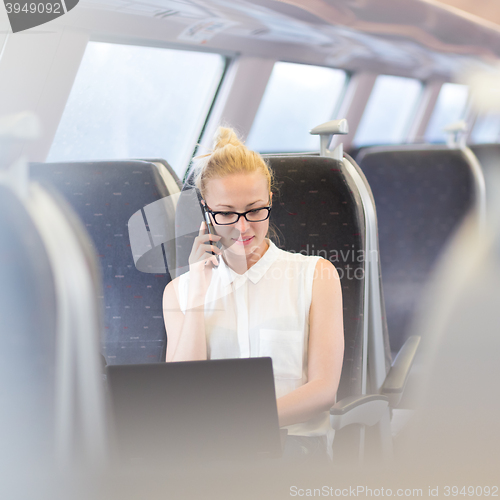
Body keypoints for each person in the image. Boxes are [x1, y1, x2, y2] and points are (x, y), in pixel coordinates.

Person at [163, 126, 344, 460]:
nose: (242, 227)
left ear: (270, 201)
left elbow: (323, 391)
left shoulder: (316, 275)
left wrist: (245, 423)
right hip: (213, 455)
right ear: (205, 210)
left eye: (255, 210)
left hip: (294, 448)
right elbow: (180, 394)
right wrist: (199, 291)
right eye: (226, 213)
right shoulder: (180, 291)